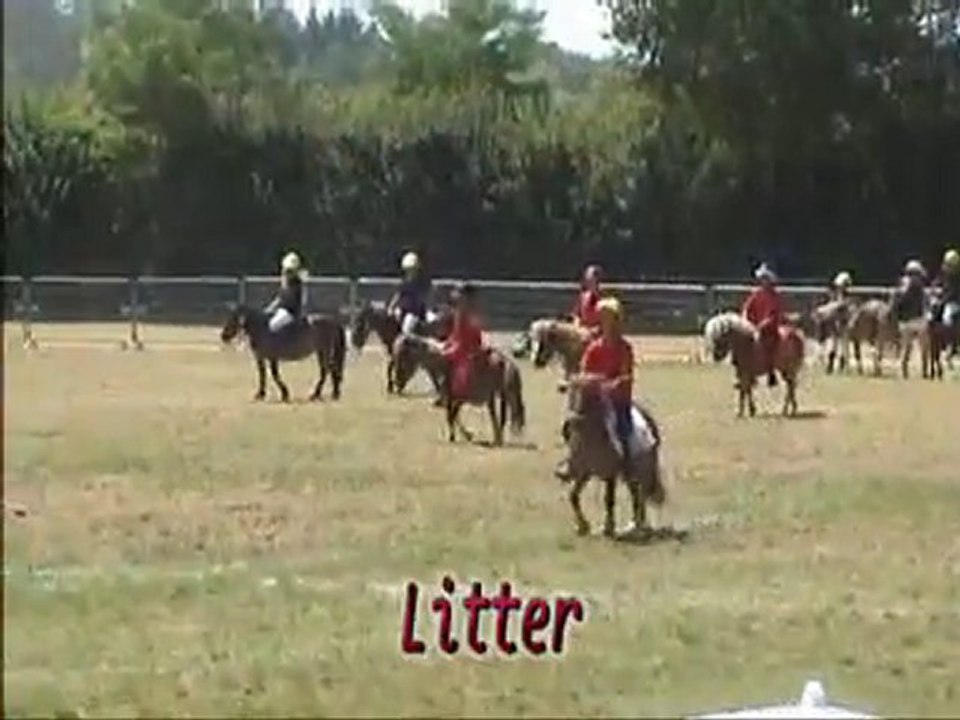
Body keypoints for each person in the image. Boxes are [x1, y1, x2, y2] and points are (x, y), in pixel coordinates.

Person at [577, 296, 641, 467]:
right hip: (595, 401)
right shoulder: (594, 348)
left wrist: (614, 384)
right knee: (575, 423)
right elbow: (584, 372)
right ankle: (574, 460)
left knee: (622, 429)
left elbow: (626, 375)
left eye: (609, 319)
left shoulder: (624, 348)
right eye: (603, 318)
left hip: (618, 401)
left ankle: (627, 463)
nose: (606, 323)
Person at [440, 282, 487, 401]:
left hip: (465, 348)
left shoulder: (463, 312)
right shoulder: (462, 310)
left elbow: (464, 336)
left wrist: (449, 348)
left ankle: (448, 391)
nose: (454, 294)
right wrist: (448, 343)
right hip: (465, 344)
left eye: (458, 292)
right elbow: (456, 334)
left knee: (441, 359)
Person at [742, 262, 785, 387]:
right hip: (753, 327)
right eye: (761, 279)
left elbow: (773, 314)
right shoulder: (756, 294)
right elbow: (747, 308)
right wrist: (745, 320)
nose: (763, 281)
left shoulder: (775, 295)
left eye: (765, 279)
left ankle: (771, 371)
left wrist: (761, 326)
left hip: (769, 329)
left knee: (768, 344)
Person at [388, 251, 433, 335]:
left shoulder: (421, 283)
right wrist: (391, 308)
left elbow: (423, 299)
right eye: (408, 270)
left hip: (414, 312)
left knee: (407, 329)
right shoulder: (404, 283)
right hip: (402, 311)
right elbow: (397, 295)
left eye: (412, 270)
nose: (410, 272)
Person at [264, 251, 307, 336]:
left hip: (291, 313)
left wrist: (275, 306)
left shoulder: (295, 283)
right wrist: (269, 308)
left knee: (272, 326)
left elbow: (286, 300)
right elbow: (279, 298)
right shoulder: (287, 283)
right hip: (283, 311)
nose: (284, 273)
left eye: (288, 271)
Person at [572, 264, 603, 337]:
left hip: (597, 334)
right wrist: (577, 328)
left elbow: (607, 321)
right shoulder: (583, 296)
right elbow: (577, 315)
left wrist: (594, 330)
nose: (588, 278)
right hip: (583, 331)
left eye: (593, 276)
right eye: (587, 275)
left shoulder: (603, 297)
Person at [932, 249, 959, 332]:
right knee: (931, 312)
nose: (947, 267)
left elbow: (952, 293)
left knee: (947, 317)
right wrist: (935, 290)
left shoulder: (957, 278)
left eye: (950, 265)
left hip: (955, 303)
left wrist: (942, 297)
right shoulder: (943, 275)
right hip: (944, 301)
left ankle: (950, 341)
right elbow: (935, 284)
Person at [894, 259, 928, 325]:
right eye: (917, 275)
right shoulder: (903, 288)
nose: (920, 278)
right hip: (904, 322)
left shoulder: (920, 290)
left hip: (915, 322)